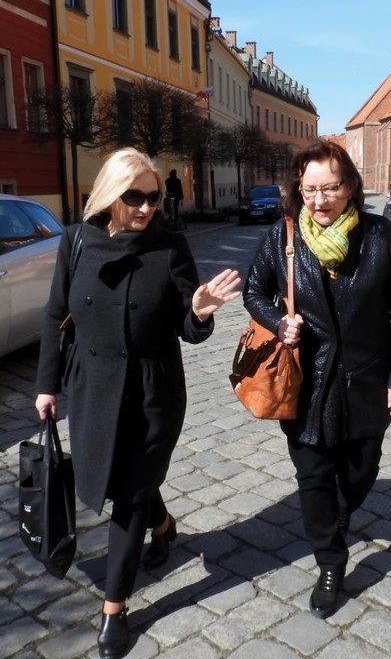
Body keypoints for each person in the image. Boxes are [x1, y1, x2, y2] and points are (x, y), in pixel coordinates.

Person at [35, 147, 241, 659]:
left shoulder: (169, 247)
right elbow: (55, 315)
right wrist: (46, 385)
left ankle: (114, 608)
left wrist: (200, 311)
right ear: (110, 195)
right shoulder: (76, 242)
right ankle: (165, 527)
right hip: (93, 387)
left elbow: (187, 327)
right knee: (116, 476)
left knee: (128, 494)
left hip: (153, 391)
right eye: (134, 197)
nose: (147, 207)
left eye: (153, 198)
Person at [243, 140, 391, 620]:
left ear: (350, 187)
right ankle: (330, 562)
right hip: (308, 382)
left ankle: (343, 509)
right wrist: (278, 321)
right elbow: (254, 291)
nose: (319, 200)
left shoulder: (380, 236)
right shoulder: (283, 238)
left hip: (367, 379)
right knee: (313, 476)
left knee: (361, 471)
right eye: (310, 190)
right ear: (298, 190)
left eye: (330, 188)